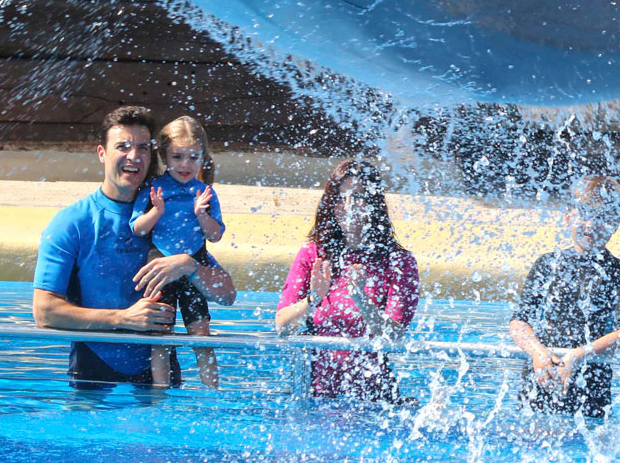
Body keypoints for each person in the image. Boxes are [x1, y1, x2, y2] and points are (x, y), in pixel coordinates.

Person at [32, 106, 237, 388]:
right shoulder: (72, 222)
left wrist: (188, 266)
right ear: (102, 153)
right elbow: (44, 312)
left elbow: (227, 296)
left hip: (161, 381)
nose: (134, 156)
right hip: (95, 372)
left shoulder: (172, 217)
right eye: (123, 146)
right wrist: (124, 318)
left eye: (142, 147)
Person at [274, 159, 419, 402]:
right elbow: (281, 326)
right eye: (341, 198)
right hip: (314, 394)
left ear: (373, 203)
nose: (349, 206)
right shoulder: (313, 255)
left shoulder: (399, 262)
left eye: (359, 197)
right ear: (330, 204)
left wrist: (360, 300)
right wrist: (313, 299)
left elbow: (394, 335)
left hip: (374, 397)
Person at [509, 175, 620, 418]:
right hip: (543, 372)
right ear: (568, 216)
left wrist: (578, 355)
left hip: (591, 376)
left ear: (616, 222)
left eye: (603, 217)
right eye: (585, 214)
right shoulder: (548, 263)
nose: (591, 224)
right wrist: (538, 352)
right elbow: (519, 321)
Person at [131, 116, 225, 388]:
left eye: (193, 157)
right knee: (160, 336)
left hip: (194, 263)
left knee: (201, 335)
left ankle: (212, 393)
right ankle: (160, 394)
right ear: (164, 156)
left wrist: (201, 215)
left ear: (202, 157)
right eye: (178, 156)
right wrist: (156, 212)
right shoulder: (153, 190)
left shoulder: (204, 192)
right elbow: (137, 228)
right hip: (160, 264)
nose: (185, 164)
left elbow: (215, 235)